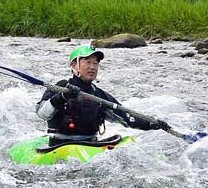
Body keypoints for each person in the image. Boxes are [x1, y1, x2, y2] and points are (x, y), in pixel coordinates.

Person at [36, 44, 170, 147]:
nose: (92, 67)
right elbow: (42, 113)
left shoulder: (98, 95)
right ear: (74, 65)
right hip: (59, 145)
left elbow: (126, 117)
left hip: (90, 144)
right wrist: (61, 97)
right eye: (88, 62)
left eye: (95, 63)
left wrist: (152, 123)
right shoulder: (61, 87)